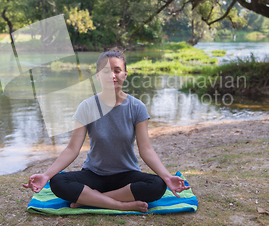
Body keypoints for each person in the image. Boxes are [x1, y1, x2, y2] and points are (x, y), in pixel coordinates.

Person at [23, 48, 190, 213]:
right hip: (94, 174)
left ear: (125, 74)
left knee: (158, 185)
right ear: (97, 76)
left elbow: (146, 149)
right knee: (58, 181)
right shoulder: (87, 106)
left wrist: (167, 177)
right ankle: (120, 204)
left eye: (117, 71)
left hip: (127, 175)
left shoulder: (137, 107)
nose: (112, 76)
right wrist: (46, 175)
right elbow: (72, 149)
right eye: (106, 71)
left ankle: (90, 199)